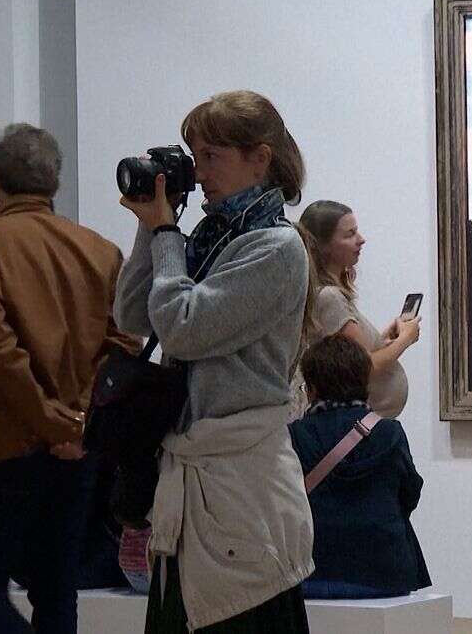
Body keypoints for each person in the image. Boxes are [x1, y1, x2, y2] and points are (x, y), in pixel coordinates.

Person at [114, 89, 316, 632]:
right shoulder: (207, 235)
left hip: (241, 483)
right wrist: (151, 227)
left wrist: (164, 235)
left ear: (260, 158)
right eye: (194, 156)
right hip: (192, 477)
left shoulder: (275, 248)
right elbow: (133, 315)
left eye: (212, 157)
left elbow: (182, 328)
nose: (199, 173)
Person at [0, 123, 137, 634]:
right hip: (77, 450)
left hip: (5, 443)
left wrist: (51, 424)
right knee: (56, 590)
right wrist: (77, 425)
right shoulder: (99, 250)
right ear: (55, 183)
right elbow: (123, 347)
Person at [288, 335, 431, 599]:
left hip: (312, 572)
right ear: (364, 383)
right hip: (385, 572)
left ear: (311, 388)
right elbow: (410, 493)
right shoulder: (390, 433)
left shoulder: (294, 436)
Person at [298, 200, 420, 418]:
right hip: (355, 428)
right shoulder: (329, 297)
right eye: (349, 234)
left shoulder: (332, 294)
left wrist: (383, 339)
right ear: (324, 245)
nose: (361, 240)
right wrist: (405, 340)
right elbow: (363, 367)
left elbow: (347, 356)